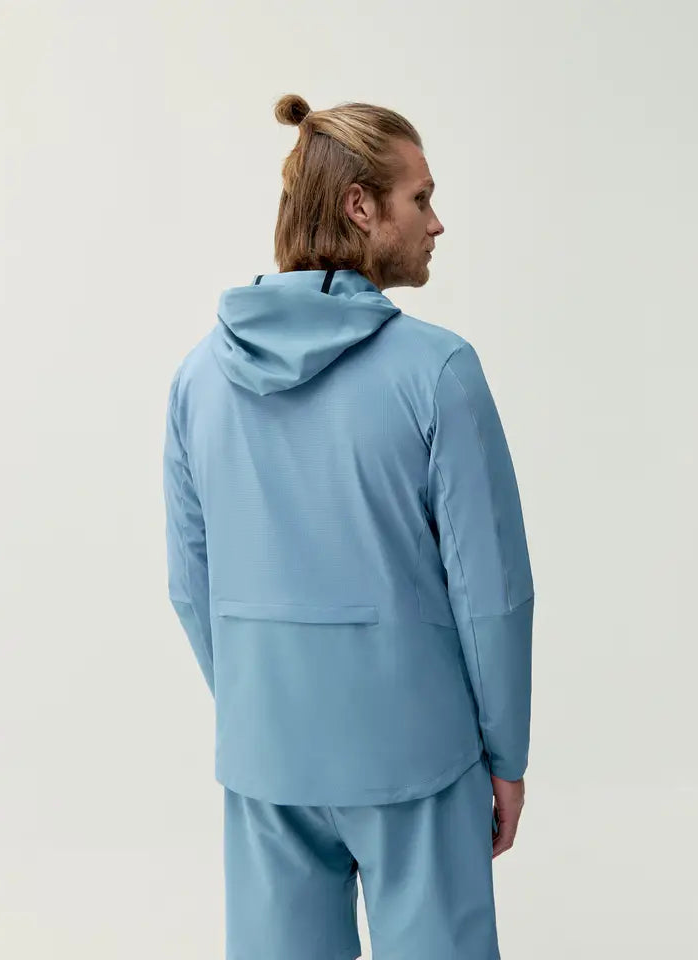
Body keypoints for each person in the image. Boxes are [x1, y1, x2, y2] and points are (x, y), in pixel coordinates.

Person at [162, 93, 535, 960]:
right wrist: (505, 756)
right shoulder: (438, 371)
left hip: (268, 757)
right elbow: (492, 593)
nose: (436, 223)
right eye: (420, 198)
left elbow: (189, 583)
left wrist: (263, 699)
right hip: (417, 755)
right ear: (360, 206)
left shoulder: (196, 379)